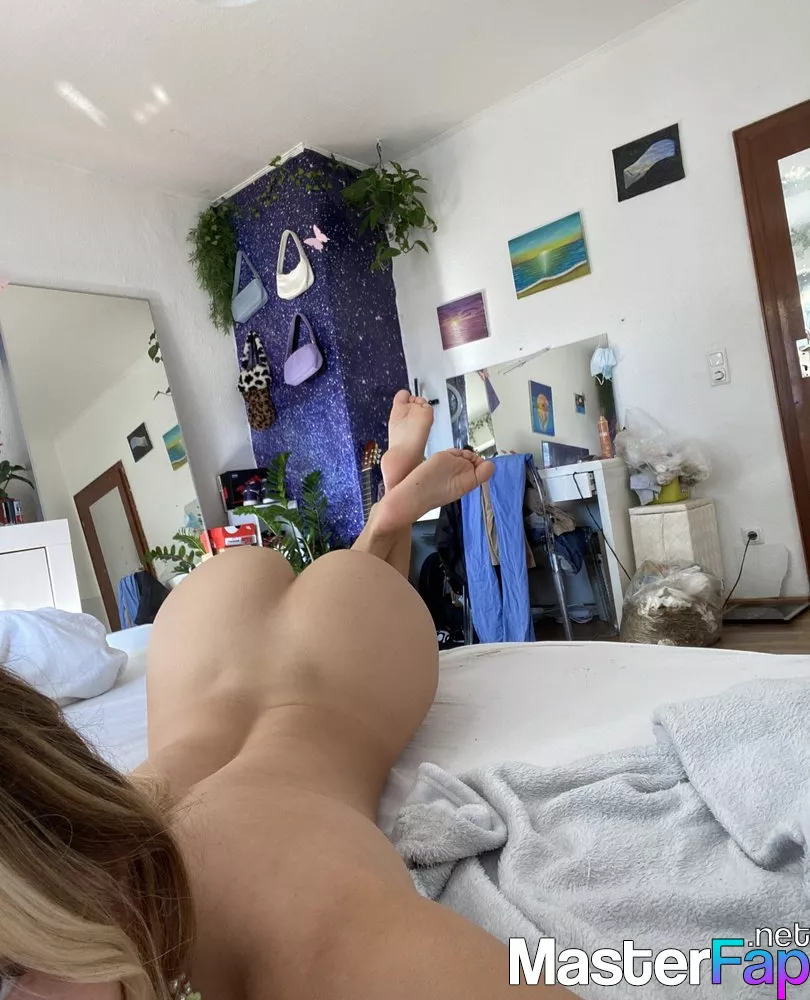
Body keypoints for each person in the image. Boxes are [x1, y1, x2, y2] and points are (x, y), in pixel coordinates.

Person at [0, 391, 572, 1000]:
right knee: (335, 630)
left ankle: (387, 517)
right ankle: (386, 515)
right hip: (203, 625)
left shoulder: (284, 923)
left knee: (337, 656)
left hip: (280, 647)